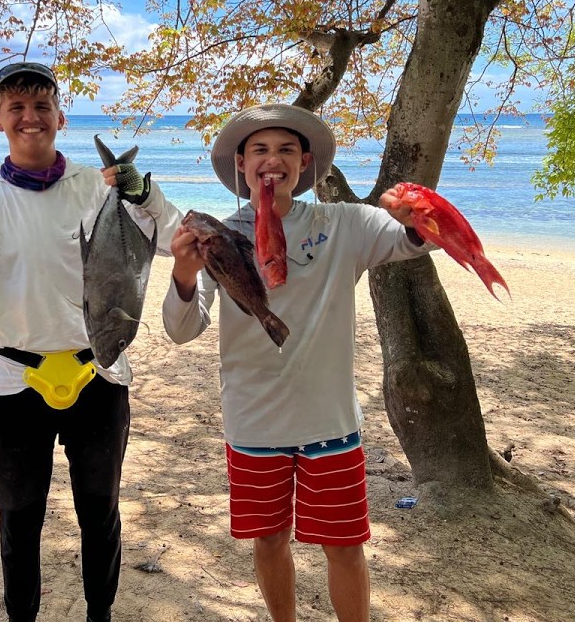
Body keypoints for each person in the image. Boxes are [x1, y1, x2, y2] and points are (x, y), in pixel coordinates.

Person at [0, 61, 183, 622]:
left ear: (61, 117)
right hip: (10, 382)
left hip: (100, 373)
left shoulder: (97, 185)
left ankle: (99, 615)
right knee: (18, 517)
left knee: (100, 511)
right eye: (17, 108)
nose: (30, 118)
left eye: (41, 107)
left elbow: (174, 241)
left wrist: (144, 194)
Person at [161, 103, 434, 622]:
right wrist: (184, 273)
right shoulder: (218, 235)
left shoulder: (344, 223)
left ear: (304, 162)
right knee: (267, 541)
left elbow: (409, 244)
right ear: (241, 164)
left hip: (329, 419)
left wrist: (416, 219)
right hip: (253, 420)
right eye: (259, 150)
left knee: (345, 547)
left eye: (286, 149)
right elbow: (182, 329)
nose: (273, 161)